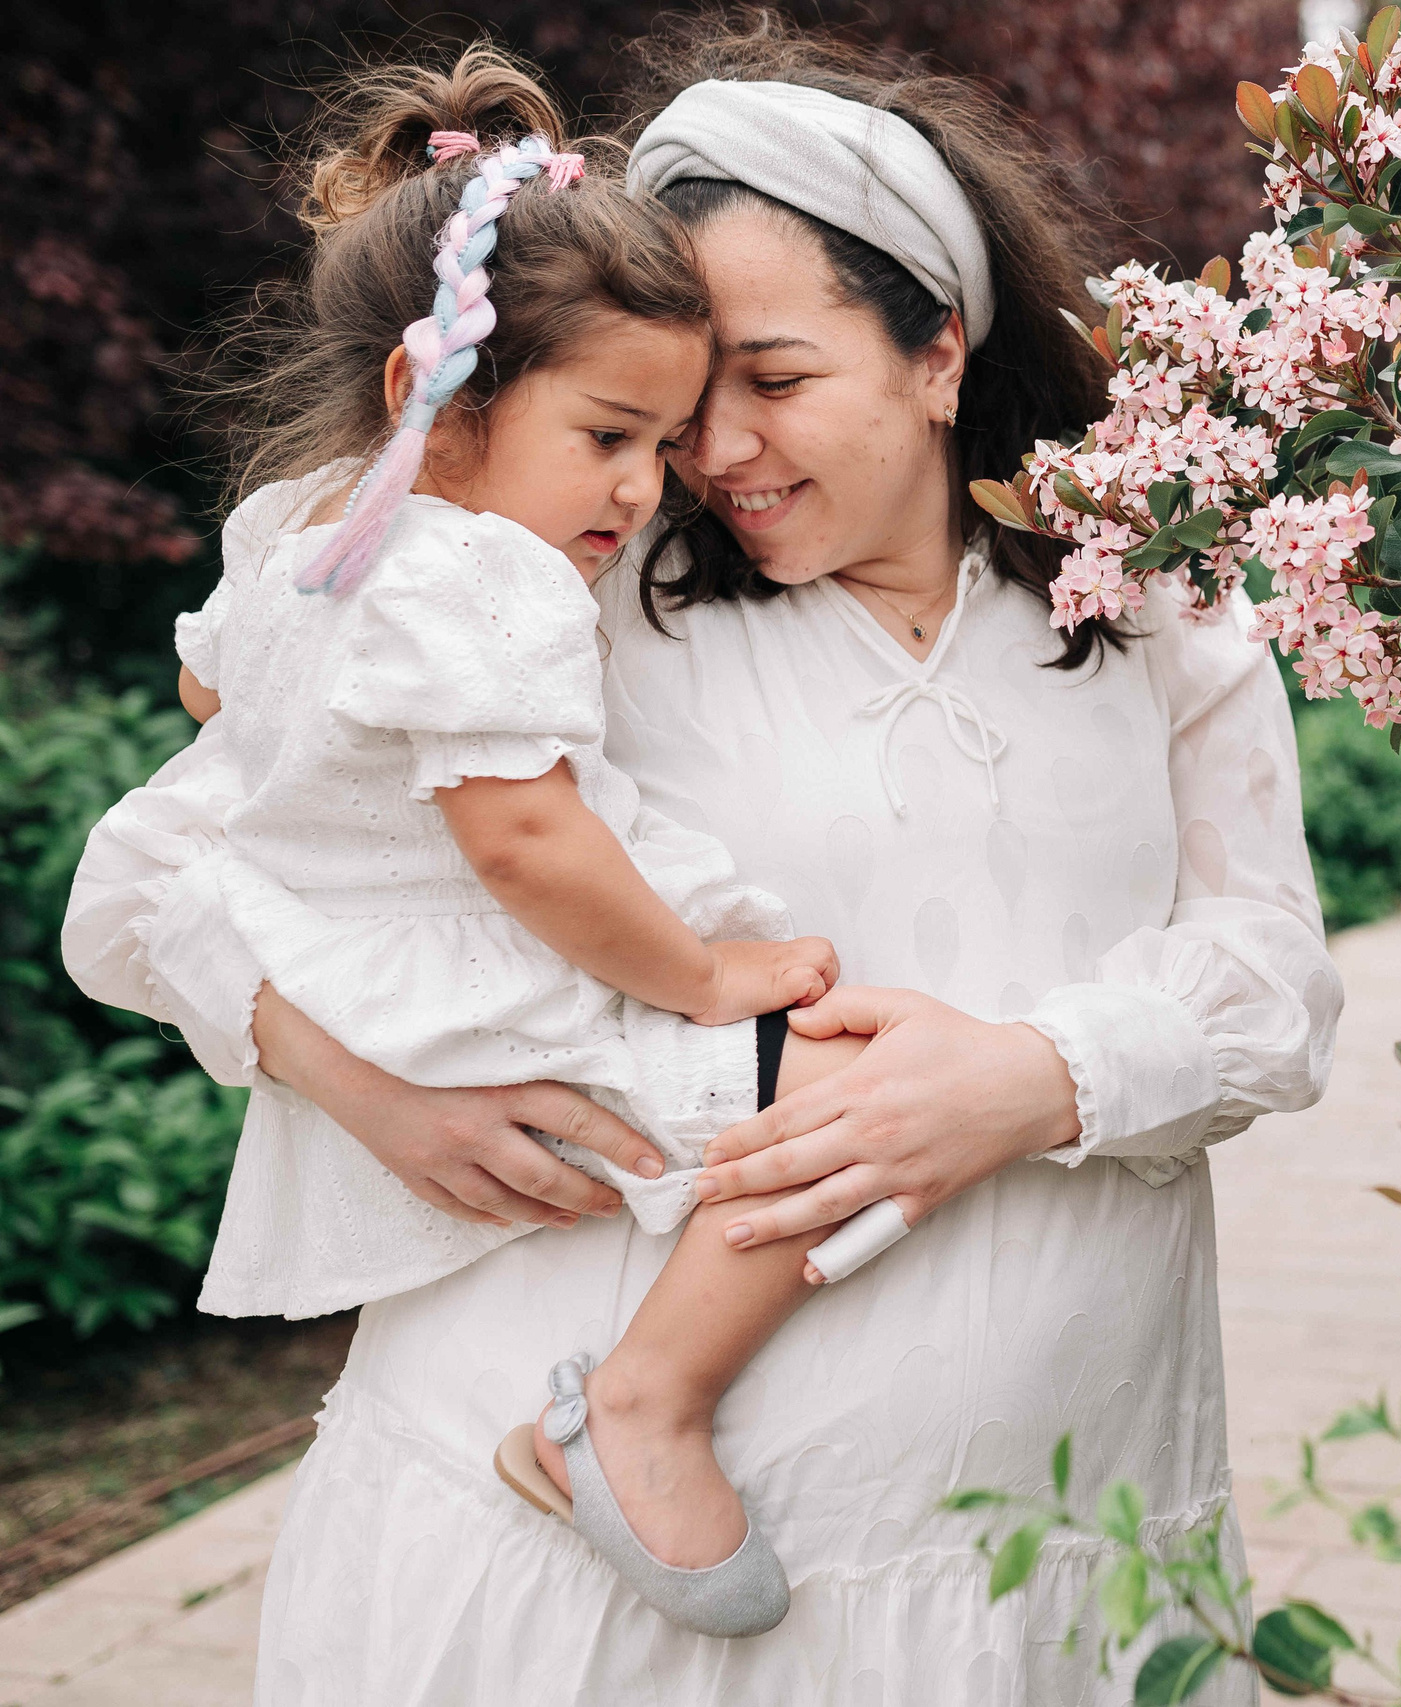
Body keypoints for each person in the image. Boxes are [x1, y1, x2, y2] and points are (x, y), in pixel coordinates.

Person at [65, 17, 1340, 1703]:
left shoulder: (1147, 601)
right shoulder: (564, 581)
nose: (711, 454)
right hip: (584, 1571)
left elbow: (1278, 983)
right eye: (676, 404)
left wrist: (1038, 1077)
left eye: (781, 380)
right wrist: (362, 1086)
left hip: (1055, 1532)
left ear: (939, 352)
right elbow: (147, 886)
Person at [136, 47, 928, 1637]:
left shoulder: (303, 523)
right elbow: (525, 850)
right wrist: (705, 976)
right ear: (432, 407)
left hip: (344, 962)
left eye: (665, 440)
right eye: (612, 437)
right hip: (476, 983)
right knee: (841, 1102)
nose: (649, 489)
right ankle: (632, 1415)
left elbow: (205, 677)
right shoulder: (481, 582)